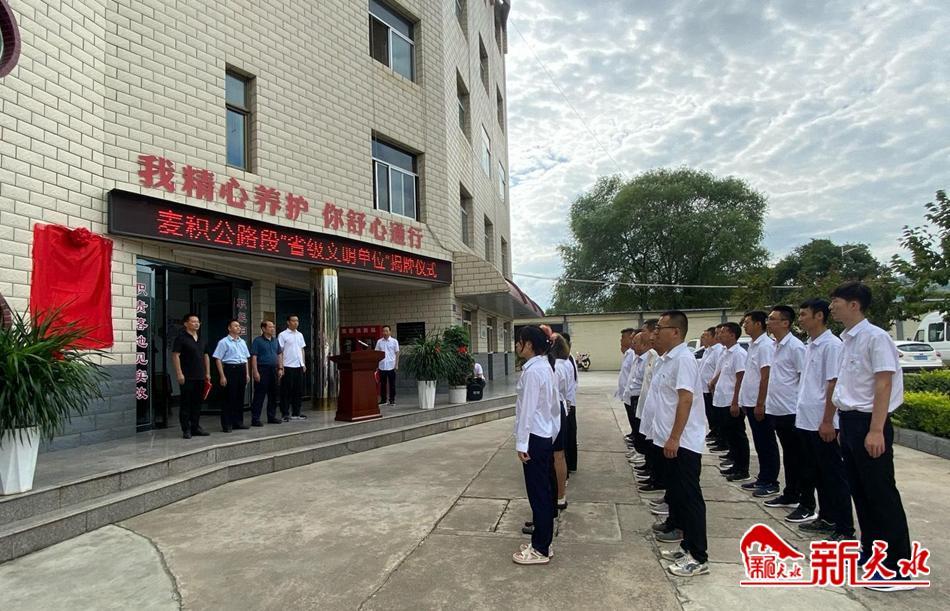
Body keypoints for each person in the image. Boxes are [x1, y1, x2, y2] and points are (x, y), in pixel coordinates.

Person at [829, 282, 913, 592]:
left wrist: (876, 430)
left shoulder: (875, 337)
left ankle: (898, 568)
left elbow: (883, 384)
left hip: (869, 422)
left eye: (836, 301)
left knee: (880, 493)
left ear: (854, 305)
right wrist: (842, 426)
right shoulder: (847, 339)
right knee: (860, 491)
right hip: (850, 422)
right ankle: (872, 550)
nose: (832, 306)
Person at [648, 311, 709, 577]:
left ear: (675, 332)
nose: (655, 332)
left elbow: (685, 399)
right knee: (678, 496)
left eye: (659, 328)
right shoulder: (667, 360)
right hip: (669, 440)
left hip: (683, 442)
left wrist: (674, 437)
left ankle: (699, 556)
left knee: (690, 498)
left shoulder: (683, 359)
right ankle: (686, 547)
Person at [794, 298, 854, 541]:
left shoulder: (831, 346)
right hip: (807, 420)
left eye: (803, 314)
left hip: (823, 422)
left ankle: (844, 528)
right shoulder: (811, 344)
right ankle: (827, 517)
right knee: (817, 473)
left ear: (819, 316)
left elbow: (833, 383)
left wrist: (828, 420)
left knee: (833, 476)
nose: (800, 319)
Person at [511, 325, 560, 565]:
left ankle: (540, 548)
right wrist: (552, 432)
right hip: (543, 435)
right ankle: (543, 542)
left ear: (529, 345)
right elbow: (554, 407)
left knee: (538, 493)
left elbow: (527, 411)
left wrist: (522, 443)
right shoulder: (544, 367)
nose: (517, 345)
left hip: (534, 438)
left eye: (519, 341)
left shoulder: (533, 372)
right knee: (543, 491)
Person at [762, 306, 808, 520]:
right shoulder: (775, 346)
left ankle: (801, 497)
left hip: (792, 411)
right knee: (789, 456)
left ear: (785, 323)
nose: (768, 322)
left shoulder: (795, 347)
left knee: (798, 457)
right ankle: (790, 493)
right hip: (777, 410)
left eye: (772, 319)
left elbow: (804, 378)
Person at [736, 310, 778, 496]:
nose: (744, 325)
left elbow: (765, 376)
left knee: (767, 443)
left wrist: (760, 403)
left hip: (759, 404)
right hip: (751, 402)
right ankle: (763, 477)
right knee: (760, 443)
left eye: (748, 322)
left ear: (759, 324)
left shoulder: (765, 346)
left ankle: (770, 481)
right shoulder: (753, 345)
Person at [711, 322, 750, 481]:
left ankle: (743, 469)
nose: (719, 335)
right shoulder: (726, 352)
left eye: (723, 332)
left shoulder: (739, 354)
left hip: (731, 401)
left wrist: (735, 402)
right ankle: (735, 464)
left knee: (738, 435)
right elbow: (723, 372)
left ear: (732, 335)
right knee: (730, 435)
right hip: (722, 400)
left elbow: (740, 378)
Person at [171, 313, 211, 439]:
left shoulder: (201, 339)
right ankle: (186, 429)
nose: (196, 324)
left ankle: (196, 427)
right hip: (187, 376)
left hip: (200, 375)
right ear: (186, 324)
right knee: (186, 403)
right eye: (193, 321)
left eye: (198, 321)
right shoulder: (181, 338)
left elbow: (206, 356)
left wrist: (208, 373)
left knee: (197, 403)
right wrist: (179, 373)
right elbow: (175, 355)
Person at [550, 334, 575, 510]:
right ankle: (561, 495)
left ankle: (557, 494)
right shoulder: (565, 364)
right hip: (562, 408)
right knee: (560, 455)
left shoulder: (554, 367)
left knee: (556, 455)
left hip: (553, 412)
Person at [213, 319, 251, 432]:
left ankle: (238, 422)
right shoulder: (223, 342)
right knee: (229, 398)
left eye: (239, 326)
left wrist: (247, 374)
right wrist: (222, 375)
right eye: (235, 326)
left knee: (240, 397)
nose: (238, 328)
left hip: (241, 369)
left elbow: (246, 359)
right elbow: (218, 359)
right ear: (229, 328)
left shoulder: (242, 342)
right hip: (230, 369)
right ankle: (227, 424)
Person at [250, 320, 283, 426]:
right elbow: (254, 357)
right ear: (263, 329)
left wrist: (280, 368)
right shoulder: (257, 341)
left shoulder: (275, 340)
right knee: (259, 395)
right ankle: (255, 419)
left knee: (273, 395)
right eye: (270, 327)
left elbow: (279, 354)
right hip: (262, 370)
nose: (272, 329)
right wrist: (255, 371)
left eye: (273, 327)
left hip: (274, 370)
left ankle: (271, 416)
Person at [698, 327, 725, 448]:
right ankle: (714, 431)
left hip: (712, 388)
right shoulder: (708, 350)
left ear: (714, 337)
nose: (703, 338)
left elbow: (719, 369)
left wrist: (713, 382)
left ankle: (719, 435)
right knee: (710, 413)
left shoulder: (718, 350)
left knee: (716, 415)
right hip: (705, 388)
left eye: (706, 336)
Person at [278, 314, 307, 421]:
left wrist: (303, 364)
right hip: (287, 366)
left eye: (297, 321)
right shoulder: (282, 335)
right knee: (286, 391)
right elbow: (280, 351)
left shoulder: (300, 335)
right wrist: (281, 366)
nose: (296, 323)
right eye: (293, 321)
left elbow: (302, 349)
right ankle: (285, 413)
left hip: (298, 366)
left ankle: (296, 412)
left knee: (298, 391)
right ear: (288, 322)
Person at [561, 331, 579, 473]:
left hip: (567, 404)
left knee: (568, 436)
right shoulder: (568, 359)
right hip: (569, 403)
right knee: (570, 435)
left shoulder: (566, 361)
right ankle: (570, 464)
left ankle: (569, 465)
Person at [616, 328, 637, 441]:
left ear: (630, 338)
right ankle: (633, 433)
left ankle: (635, 436)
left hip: (631, 392)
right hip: (626, 392)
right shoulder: (628, 353)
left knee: (634, 416)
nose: (621, 340)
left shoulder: (633, 354)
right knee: (630, 415)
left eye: (623, 337)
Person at [375, 325, 400, 406]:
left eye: (386, 331)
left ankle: (392, 400)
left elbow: (397, 353)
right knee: (383, 384)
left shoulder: (394, 341)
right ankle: (383, 400)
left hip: (391, 366)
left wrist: (396, 364)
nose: (385, 333)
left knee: (392, 384)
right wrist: (376, 365)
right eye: (383, 331)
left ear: (390, 332)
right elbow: (376, 353)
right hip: (382, 366)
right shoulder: (379, 342)